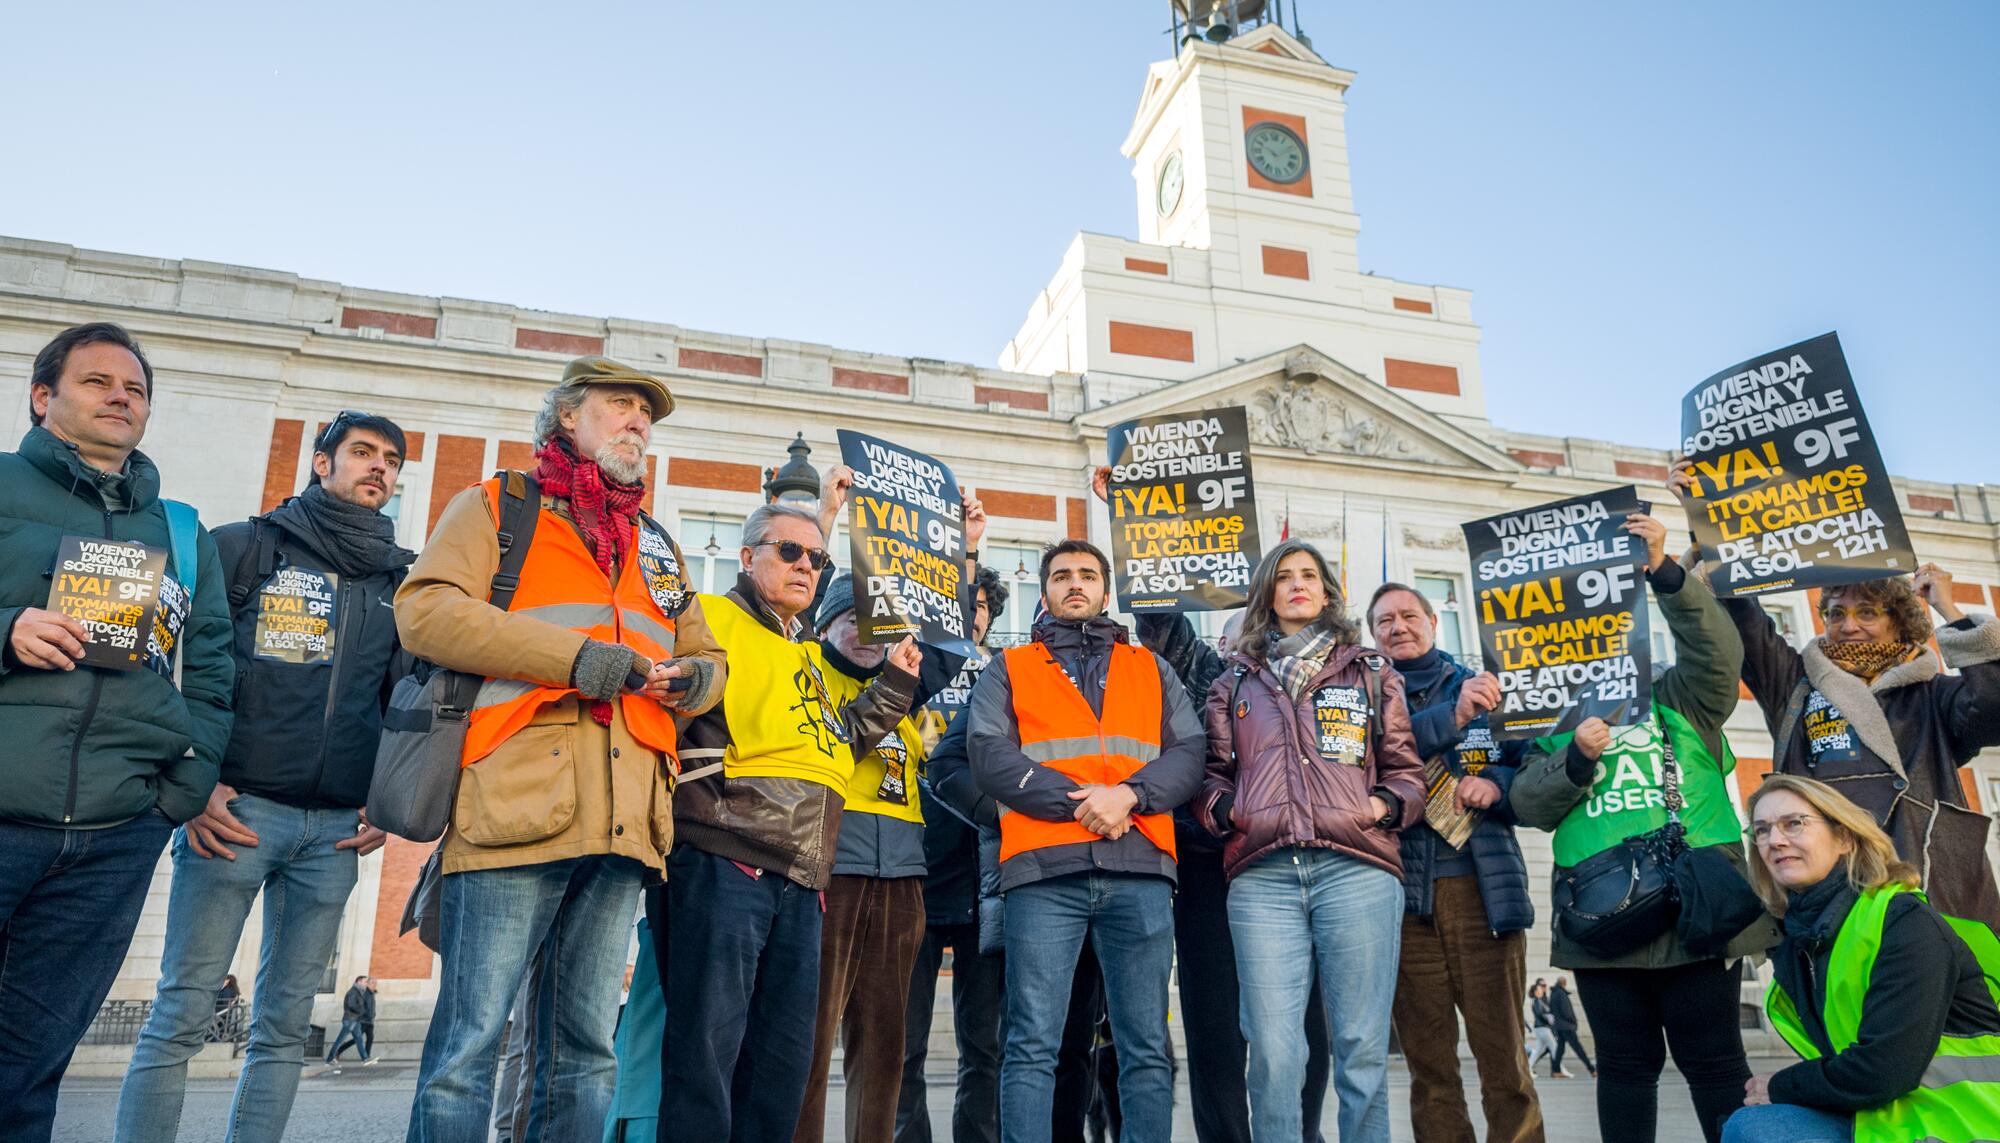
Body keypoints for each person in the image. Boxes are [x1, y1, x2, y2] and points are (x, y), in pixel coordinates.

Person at [397, 356, 727, 1142]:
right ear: (567, 417)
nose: (639, 423)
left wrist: (698, 680)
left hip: (626, 822)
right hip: (513, 805)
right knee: (467, 1048)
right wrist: (576, 659)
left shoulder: (656, 543)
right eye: (621, 405)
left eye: (647, 414)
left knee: (585, 1052)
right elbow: (426, 612)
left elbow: (706, 654)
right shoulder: (496, 506)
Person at [117, 410, 414, 1143]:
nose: (379, 467)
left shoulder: (402, 583)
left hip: (338, 831)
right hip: (236, 811)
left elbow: (404, 700)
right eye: (363, 452)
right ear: (321, 463)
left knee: (283, 1028)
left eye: (391, 460)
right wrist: (193, 780)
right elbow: (166, 664)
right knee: (181, 1013)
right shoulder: (243, 549)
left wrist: (386, 797)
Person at [0, 322, 235, 1141]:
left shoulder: (179, 530)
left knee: (30, 1070)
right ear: (43, 397)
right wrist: (5, 631)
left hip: (112, 837)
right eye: (98, 382)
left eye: (134, 390)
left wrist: (180, 791)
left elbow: (211, 671)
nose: (120, 398)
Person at [1509, 512, 1778, 1143]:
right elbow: (1526, 803)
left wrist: (1664, 571)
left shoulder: (1683, 697)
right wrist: (1575, 758)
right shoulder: (1550, 723)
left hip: (1698, 908)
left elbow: (1720, 654)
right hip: (1601, 915)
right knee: (1625, 1070)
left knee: (1716, 1066)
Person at [659, 500, 921, 1142]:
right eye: (790, 552)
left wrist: (892, 688)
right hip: (725, 854)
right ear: (747, 558)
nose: (808, 566)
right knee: (707, 1058)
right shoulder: (709, 616)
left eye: (819, 558)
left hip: (802, 872)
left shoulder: (801, 651)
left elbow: (832, 746)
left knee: (780, 1065)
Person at [1092, 466, 1332, 1143]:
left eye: (1248, 638)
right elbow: (1163, 622)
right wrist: (1133, 524)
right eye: (1231, 640)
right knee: (1213, 1022)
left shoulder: (1323, 678)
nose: (1241, 647)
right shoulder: (1205, 670)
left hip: (1292, 865)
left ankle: (1301, 1131)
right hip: (1208, 867)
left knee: (1301, 1021)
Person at [1680, 449, 2000, 929]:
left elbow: (1993, 707)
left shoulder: (1932, 694)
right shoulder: (1794, 683)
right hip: (1825, 882)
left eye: (1867, 612)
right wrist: (1706, 517)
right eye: (1835, 613)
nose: (1848, 626)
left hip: (1921, 872)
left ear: (1900, 621)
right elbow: (1745, 620)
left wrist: (1951, 612)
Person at [968, 539, 1206, 1143]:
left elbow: (1190, 752)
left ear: (1105, 589)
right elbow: (988, 755)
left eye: (1087, 575)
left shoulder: (1151, 667)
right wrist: (1088, 805)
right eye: (1061, 575)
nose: (1075, 583)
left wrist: (1128, 797)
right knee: (1031, 1044)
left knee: (1145, 1045)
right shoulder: (1010, 668)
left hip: (1140, 870)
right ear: (1044, 590)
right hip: (1043, 874)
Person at [1194, 540, 1426, 1143]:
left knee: (1360, 1047)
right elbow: (1212, 777)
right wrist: (1228, 813)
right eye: (1284, 576)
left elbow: (1404, 770)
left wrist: (1378, 805)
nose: (1298, 584)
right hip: (1263, 877)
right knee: (1272, 1048)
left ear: (1326, 590)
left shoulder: (1373, 671)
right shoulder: (1233, 685)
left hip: (1357, 869)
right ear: (1266, 594)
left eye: (1310, 576)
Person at [797, 562, 976, 1143]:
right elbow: (839, 743)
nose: (872, 633)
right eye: (855, 619)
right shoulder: (807, 672)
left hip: (902, 880)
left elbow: (949, 644)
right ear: (824, 625)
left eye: (884, 623)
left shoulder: (905, 690)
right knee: (810, 1039)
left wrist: (963, 558)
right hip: (831, 874)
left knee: (884, 1048)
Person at [1725, 774, 2000, 1143]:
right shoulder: (1805, 937)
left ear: (1844, 836)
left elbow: (1885, 1069)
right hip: (1888, 1118)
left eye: (1794, 823)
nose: (1775, 840)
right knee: (1753, 1126)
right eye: (1761, 830)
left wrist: (1779, 1085)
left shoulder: (1902, 920)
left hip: (1967, 1122)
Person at [1368, 582, 1544, 1143]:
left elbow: (1536, 766)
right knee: (1430, 1068)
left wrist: (1497, 782)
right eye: (1383, 621)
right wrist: (1452, 715)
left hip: (1482, 890)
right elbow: (1368, 760)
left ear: (1433, 622)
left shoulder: (1490, 687)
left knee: (1505, 1060)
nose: (1398, 627)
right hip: (1402, 899)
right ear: (1372, 635)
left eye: (1408, 615)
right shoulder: (1361, 695)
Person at [898, 566, 1009, 1143]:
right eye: (962, 601)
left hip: (985, 878)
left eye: (983, 602)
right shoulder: (904, 662)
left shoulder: (1007, 675)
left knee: (986, 1046)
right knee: (904, 1045)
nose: (974, 610)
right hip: (910, 868)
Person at [1546, 977, 1593, 1080]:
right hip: (1567, 1026)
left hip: (1559, 1026)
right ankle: (1592, 1069)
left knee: (1560, 1050)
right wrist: (1573, 1022)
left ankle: (1556, 1070)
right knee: (1578, 1048)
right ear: (1564, 983)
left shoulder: (1553, 993)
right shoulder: (1561, 994)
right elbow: (1566, 1011)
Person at [326, 977, 376, 1068]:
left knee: (359, 1039)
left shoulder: (359, 992)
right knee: (340, 1040)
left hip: (355, 1020)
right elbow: (352, 1005)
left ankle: (365, 1059)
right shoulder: (353, 991)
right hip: (350, 1019)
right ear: (359, 982)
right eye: (365, 981)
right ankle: (329, 1059)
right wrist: (362, 1011)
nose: (366, 983)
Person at [1524, 983, 1558, 1077]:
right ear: (1535, 992)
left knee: (1538, 1050)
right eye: (1539, 989)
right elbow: (1539, 1014)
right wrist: (1548, 1019)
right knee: (1554, 1048)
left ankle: (1527, 1069)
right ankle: (1558, 1069)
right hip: (1542, 1027)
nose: (1541, 991)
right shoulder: (1537, 1001)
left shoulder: (1539, 1001)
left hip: (1542, 1027)